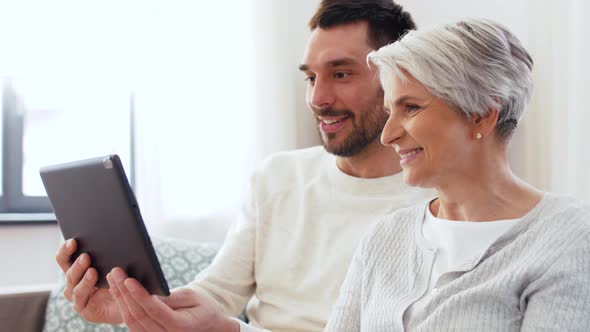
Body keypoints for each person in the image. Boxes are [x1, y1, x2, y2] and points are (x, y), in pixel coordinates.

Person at [55, 1, 432, 331]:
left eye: (341, 73)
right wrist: (129, 305)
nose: (318, 98)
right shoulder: (278, 177)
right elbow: (217, 292)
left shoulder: (437, 202)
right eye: (311, 77)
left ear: (397, 80)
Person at [324, 18, 590, 331]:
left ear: (481, 116)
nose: (388, 135)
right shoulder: (385, 237)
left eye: (410, 107)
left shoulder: (568, 238)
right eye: (388, 111)